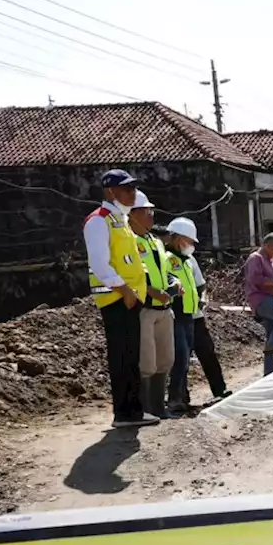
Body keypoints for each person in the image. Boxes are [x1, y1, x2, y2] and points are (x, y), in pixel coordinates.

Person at [84, 169, 157, 428]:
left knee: (131, 356)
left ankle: (134, 411)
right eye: (126, 189)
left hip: (131, 297)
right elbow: (100, 265)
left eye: (133, 189)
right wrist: (124, 290)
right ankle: (124, 413)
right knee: (122, 357)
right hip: (116, 298)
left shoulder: (120, 221)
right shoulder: (98, 221)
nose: (132, 194)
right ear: (110, 192)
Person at [130, 191, 175, 419]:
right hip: (145, 309)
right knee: (146, 361)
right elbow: (131, 274)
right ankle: (145, 409)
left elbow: (164, 271)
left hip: (164, 309)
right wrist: (151, 290)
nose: (151, 216)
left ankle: (159, 407)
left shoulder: (154, 241)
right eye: (147, 212)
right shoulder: (129, 241)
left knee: (165, 359)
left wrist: (172, 283)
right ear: (133, 214)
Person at [164, 217, 201, 415]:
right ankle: (174, 398)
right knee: (180, 357)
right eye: (190, 241)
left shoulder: (185, 262)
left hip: (189, 315)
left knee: (186, 357)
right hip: (175, 314)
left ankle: (182, 396)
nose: (192, 245)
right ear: (178, 239)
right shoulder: (167, 260)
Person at [184, 251, 230, 404]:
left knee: (207, 352)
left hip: (196, 316)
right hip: (178, 318)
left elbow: (201, 285)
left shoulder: (190, 258)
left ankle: (219, 389)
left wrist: (201, 299)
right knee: (180, 358)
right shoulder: (166, 258)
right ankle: (180, 397)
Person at [245, 232, 273, 376]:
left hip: (271, 298)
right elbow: (256, 280)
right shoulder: (255, 258)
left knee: (271, 333)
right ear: (267, 246)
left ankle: (269, 371)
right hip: (260, 299)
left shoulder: (271, 260)